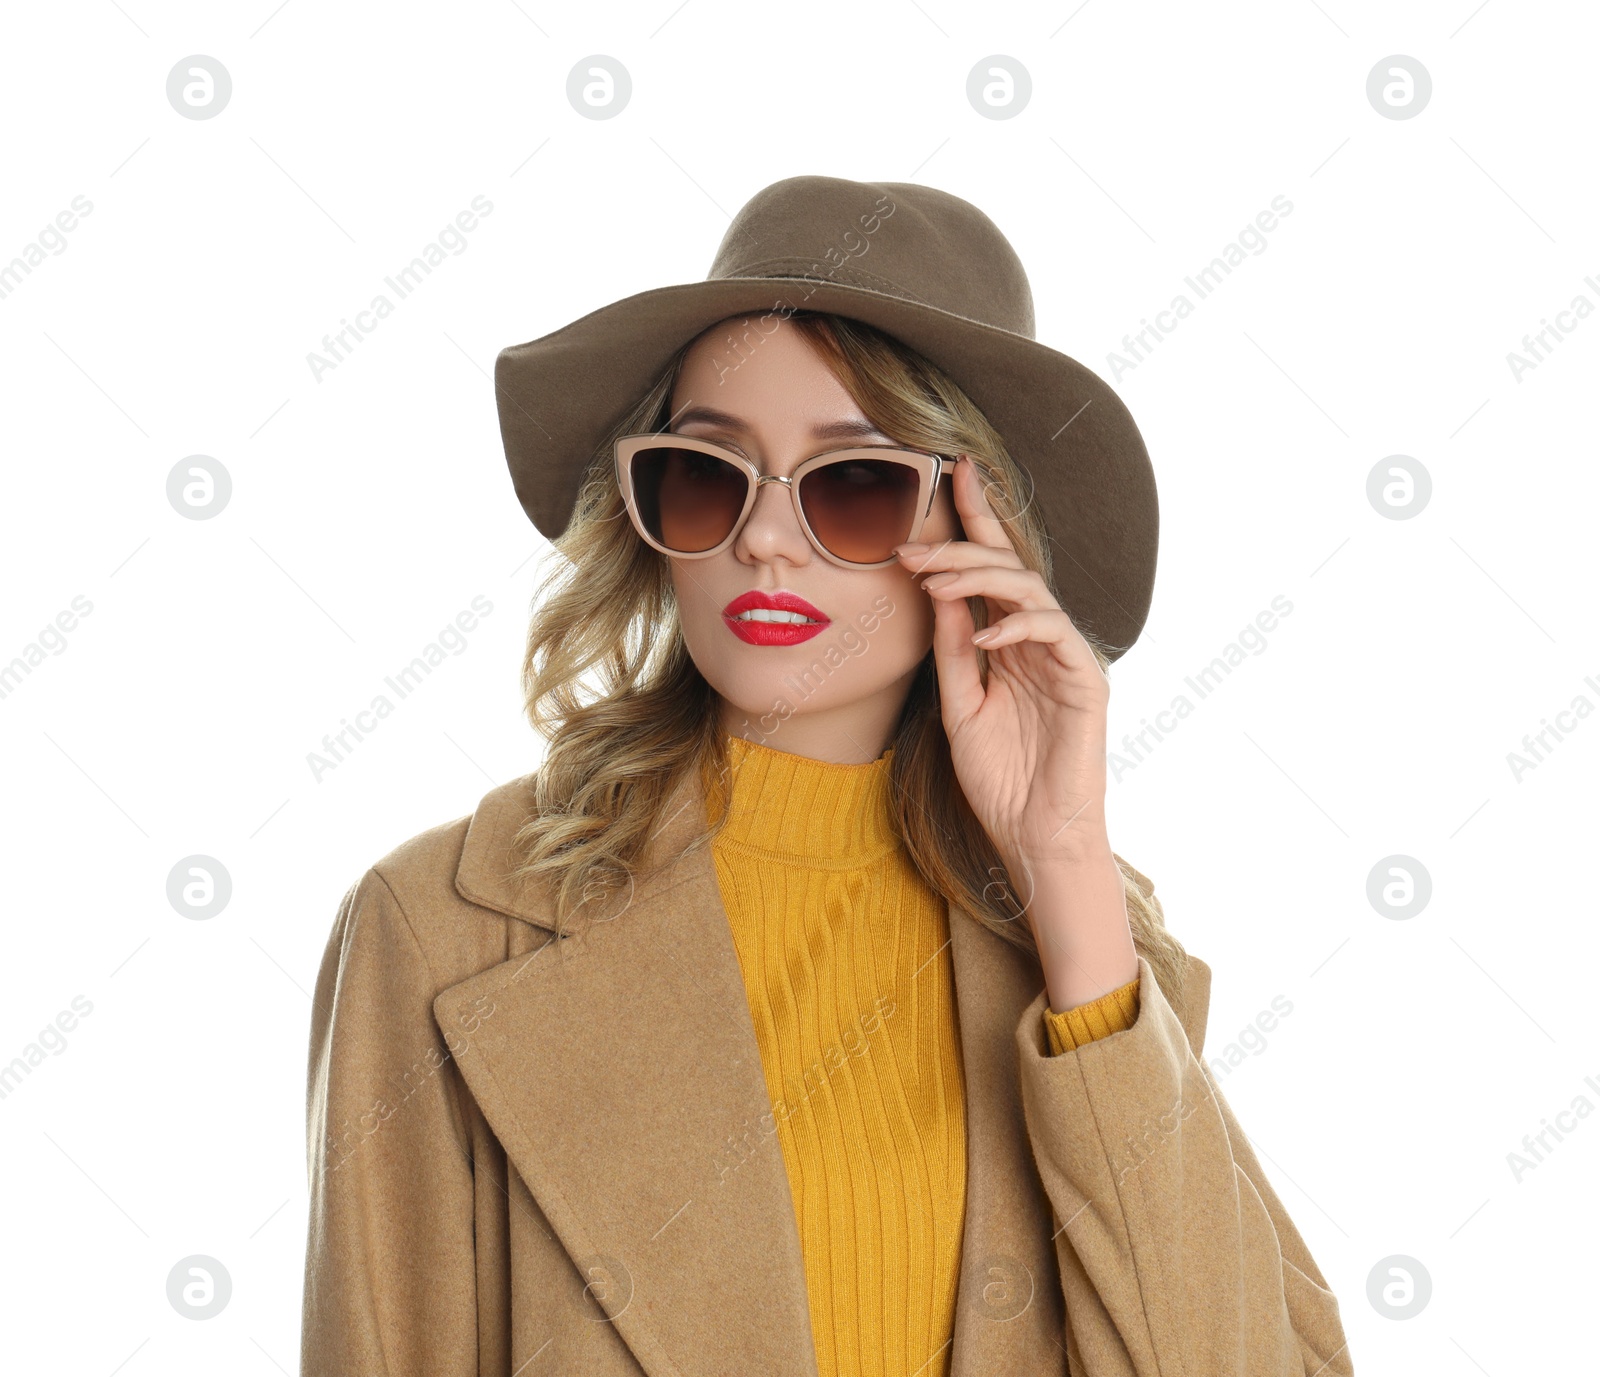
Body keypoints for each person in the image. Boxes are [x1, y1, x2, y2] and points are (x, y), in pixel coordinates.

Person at [300, 176, 1353, 1376]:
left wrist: (1061, 862)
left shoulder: (1092, 963)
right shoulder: (442, 927)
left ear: (975, 529)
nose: (762, 537)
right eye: (704, 474)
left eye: (853, 486)